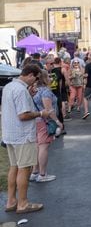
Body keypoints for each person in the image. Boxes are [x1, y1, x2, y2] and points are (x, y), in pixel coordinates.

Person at [1, 64, 50, 214]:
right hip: (23, 135)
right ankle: (23, 203)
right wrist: (41, 113)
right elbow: (23, 115)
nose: (35, 82)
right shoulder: (21, 90)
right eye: (35, 79)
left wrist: (30, 94)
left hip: (10, 134)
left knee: (14, 167)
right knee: (25, 168)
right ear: (30, 75)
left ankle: (11, 201)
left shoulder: (10, 86)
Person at [30, 70, 63, 182]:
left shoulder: (34, 91)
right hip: (44, 121)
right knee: (43, 147)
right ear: (44, 79)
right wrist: (57, 121)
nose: (50, 78)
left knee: (37, 147)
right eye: (48, 77)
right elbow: (49, 109)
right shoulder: (45, 92)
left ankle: (35, 172)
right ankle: (42, 174)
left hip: (35, 121)